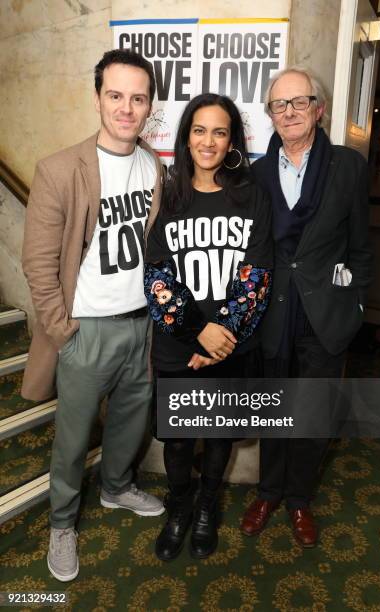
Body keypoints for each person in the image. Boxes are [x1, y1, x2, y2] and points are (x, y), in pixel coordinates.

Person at [21, 49, 165, 582]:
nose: (126, 108)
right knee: (74, 436)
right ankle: (62, 522)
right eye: (116, 95)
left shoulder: (156, 167)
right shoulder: (60, 169)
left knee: (131, 421)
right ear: (98, 97)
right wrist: (63, 331)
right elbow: (37, 261)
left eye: (138, 97)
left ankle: (116, 488)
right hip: (85, 331)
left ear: (149, 105)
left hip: (140, 324)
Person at [240, 67, 373, 546]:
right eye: (280, 104)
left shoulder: (348, 166)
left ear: (318, 109)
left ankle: (298, 499)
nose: (290, 112)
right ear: (270, 114)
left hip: (326, 315)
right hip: (273, 313)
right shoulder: (254, 175)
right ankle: (268, 492)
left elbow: (361, 246)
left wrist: (355, 308)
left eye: (300, 102)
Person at [144, 93, 273, 561]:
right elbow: (157, 275)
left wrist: (222, 336)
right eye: (200, 130)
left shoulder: (251, 196)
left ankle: (205, 508)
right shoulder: (171, 193)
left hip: (231, 343)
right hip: (179, 342)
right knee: (179, 439)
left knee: (217, 435)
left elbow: (258, 275)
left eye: (220, 131)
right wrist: (198, 331)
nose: (209, 141)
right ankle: (179, 507)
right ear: (186, 137)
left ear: (232, 140)